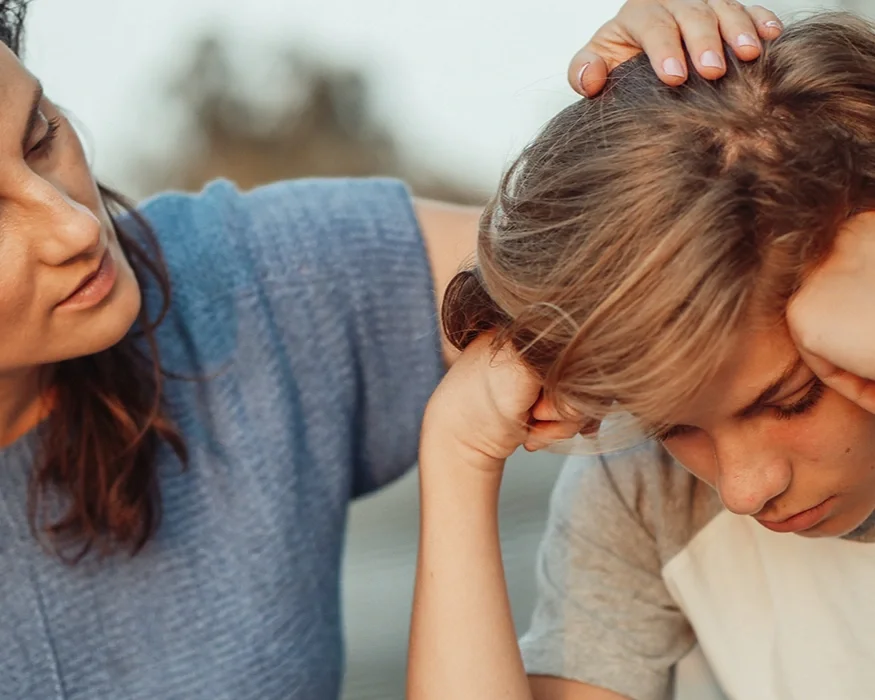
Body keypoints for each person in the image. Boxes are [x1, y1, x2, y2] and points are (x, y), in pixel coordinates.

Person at [0, 0, 784, 698]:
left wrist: (663, 129)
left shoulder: (248, 282)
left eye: (41, 138)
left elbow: (628, 273)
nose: (75, 225)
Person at [408, 10, 875, 700]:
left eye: (788, 399)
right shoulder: (645, 489)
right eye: (672, 426)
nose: (744, 490)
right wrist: (455, 454)